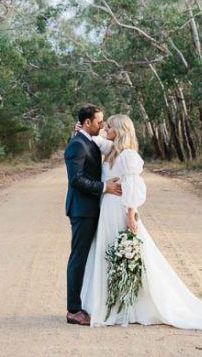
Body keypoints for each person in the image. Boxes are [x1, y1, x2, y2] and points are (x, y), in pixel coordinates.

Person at [80, 114, 202, 330]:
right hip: (106, 209)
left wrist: (130, 215)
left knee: (127, 253)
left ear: (118, 129)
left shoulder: (127, 155)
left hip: (119, 210)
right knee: (108, 254)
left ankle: (135, 304)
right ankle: (114, 303)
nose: (104, 129)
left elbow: (132, 185)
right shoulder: (111, 151)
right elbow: (94, 140)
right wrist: (80, 129)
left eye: (108, 127)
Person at [64, 104, 121, 326]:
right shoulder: (77, 145)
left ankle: (87, 303)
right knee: (78, 259)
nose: (102, 125)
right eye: (99, 121)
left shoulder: (87, 140)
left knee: (87, 258)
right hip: (82, 211)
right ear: (88, 123)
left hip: (92, 209)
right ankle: (73, 311)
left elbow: (116, 144)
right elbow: (76, 180)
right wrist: (104, 187)